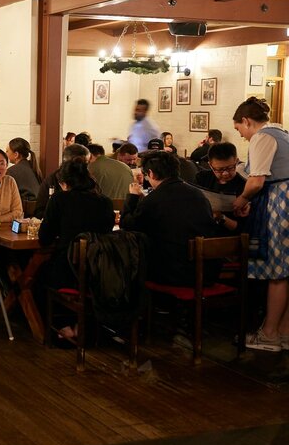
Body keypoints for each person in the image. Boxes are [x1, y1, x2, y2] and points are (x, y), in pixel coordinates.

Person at [230, 98, 289, 351]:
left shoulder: (262, 137)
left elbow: (256, 182)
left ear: (246, 121)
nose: (241, 135)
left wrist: (240, 200)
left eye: (239, 129)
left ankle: (268, 334)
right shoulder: (282, 133)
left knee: (278, 272)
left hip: (281, 203)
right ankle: (283, 332)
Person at [38, 158, 115, 338]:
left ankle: (60, 327)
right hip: (101, 269)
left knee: (38, 274)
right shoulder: (104, 201)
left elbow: (44, 238)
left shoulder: (60, 199)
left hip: (69, 269)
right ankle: (84, 324)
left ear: (64, 183)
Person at [120, 151, 217, 287]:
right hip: (206, 271)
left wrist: (133, 197)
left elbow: (127, 225)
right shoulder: (198, 194)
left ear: (151, 174)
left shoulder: (155, 199)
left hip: (173, 273)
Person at [194, 142, 245, 233]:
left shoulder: (244, 186)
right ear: (210, 165)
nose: (225, 173)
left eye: (230, 168)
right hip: (202, 232)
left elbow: (243, 229)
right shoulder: (201, 178)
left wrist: (221, 217)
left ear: (236, 162)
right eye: (219, 170)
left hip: (230, 236)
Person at [33, 144, 91, 218]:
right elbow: (39, 211)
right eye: (78, 163)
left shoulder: (90, 181)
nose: (81, 167)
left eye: (86, 163)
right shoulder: (52, 180)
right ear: (66, 163)